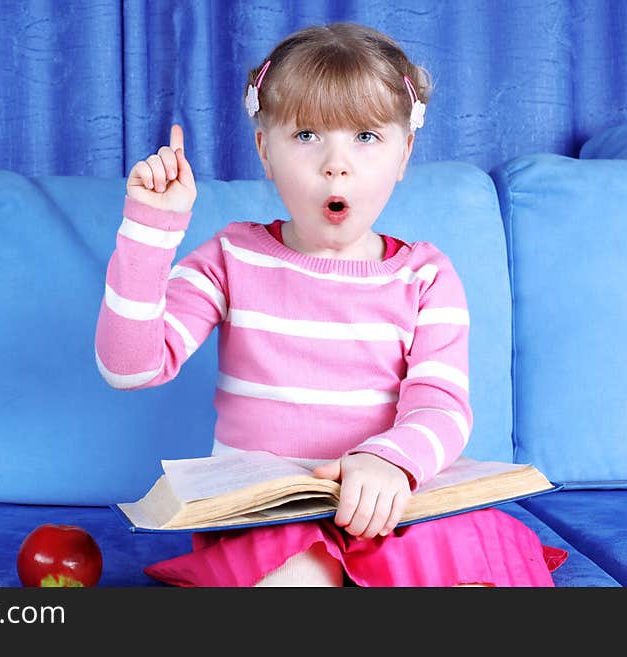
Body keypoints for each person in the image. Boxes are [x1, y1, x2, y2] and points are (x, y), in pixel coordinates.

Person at [95, 22, 566, 586]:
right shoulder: (231, 257)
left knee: (473, 565)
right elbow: (130, 368)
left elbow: (440, 405)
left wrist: (390, 460)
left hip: (390, 503)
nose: (335, 164)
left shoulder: (426, 276)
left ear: (404, 152)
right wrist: (151, 230)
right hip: (268, 519)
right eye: (307, 135)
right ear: (264, 150)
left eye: (365, 137)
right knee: (297, 576)